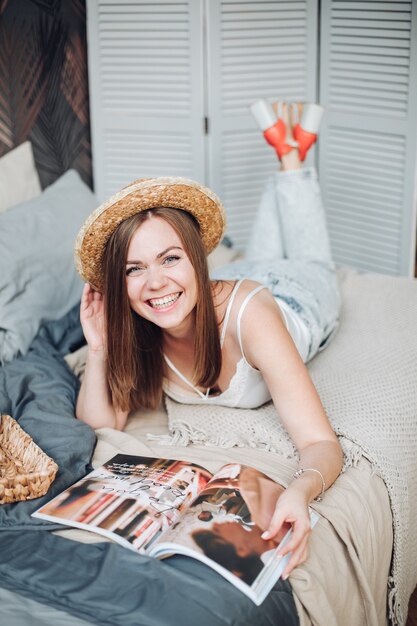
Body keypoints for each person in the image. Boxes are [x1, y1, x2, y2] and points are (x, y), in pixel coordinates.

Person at [74, 101, 344, 580]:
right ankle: (287, 149)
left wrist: (298, 492)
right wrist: (97, 347)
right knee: (260, 254)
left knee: (306, 261)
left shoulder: (254, 316)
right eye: (135, 269)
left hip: (292, 299)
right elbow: (101, 422)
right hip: (232, 281)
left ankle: (292, 159)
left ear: (195, 259)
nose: (155, 283)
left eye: (170, 258)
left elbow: (321, 442)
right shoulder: (140, 324)